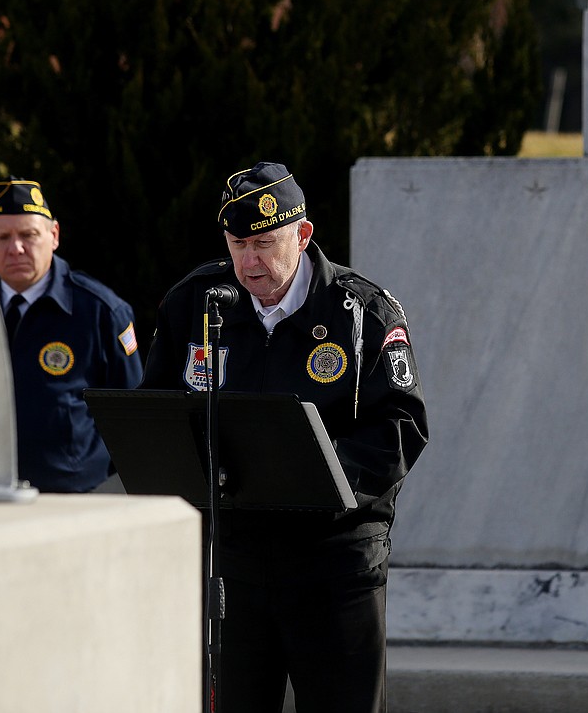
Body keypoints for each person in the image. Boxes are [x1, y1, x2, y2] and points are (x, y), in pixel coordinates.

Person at [140, 162, 428, 712]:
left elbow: (401, 427)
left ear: (303, 235)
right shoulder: (196, 304)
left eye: (265, 244)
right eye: (236, 244)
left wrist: (313, 475)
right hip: (233, 565)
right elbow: (158, 416)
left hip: (335, 565)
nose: (249, 263)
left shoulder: (361, 312)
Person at [0, 177, 143, 493]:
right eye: (2, 237)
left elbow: (128, 410)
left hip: (66, 495)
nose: (15, 248)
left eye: (28, 235)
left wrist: (81, 467)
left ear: (53, 236)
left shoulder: (99, 310)